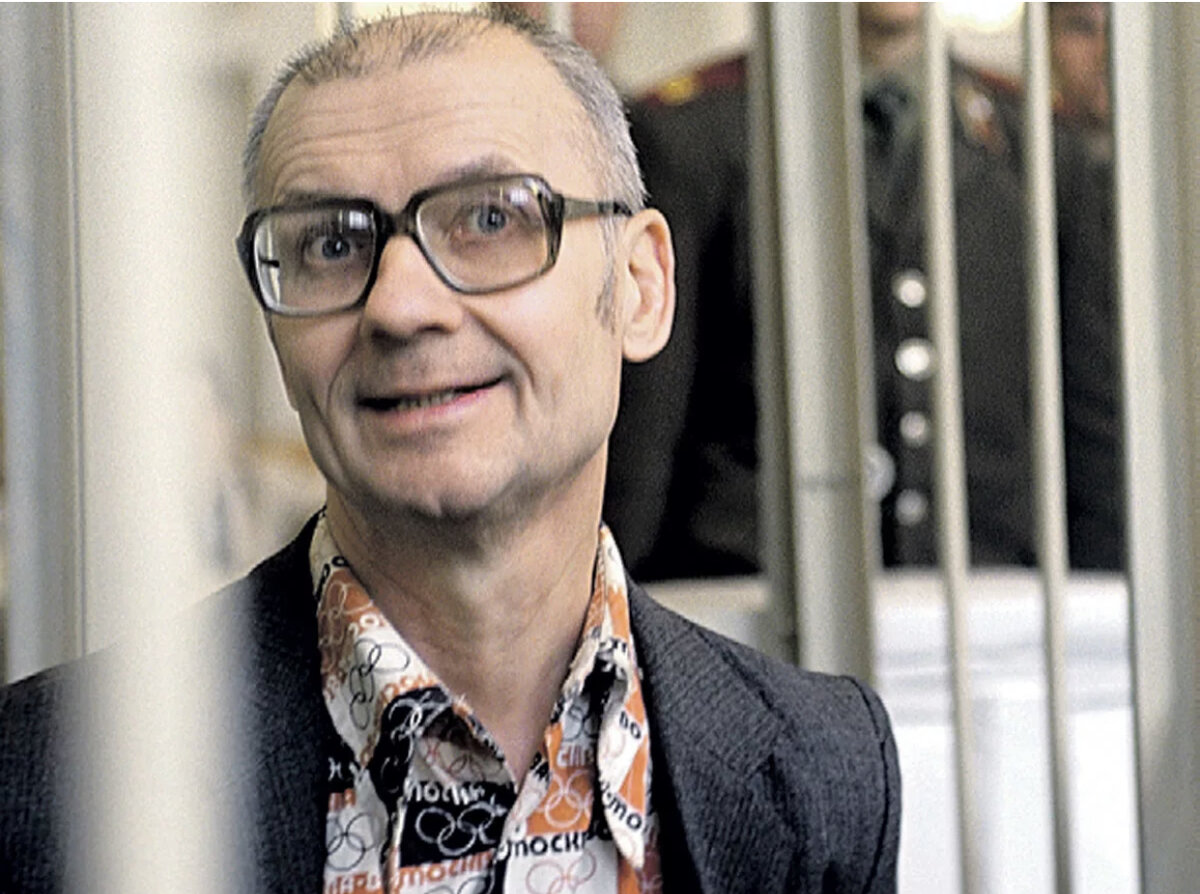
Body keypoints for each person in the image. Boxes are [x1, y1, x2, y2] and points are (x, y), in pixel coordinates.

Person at [0, 8, 900, 893]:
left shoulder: (821, 772)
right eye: (330, 244)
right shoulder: (54, 786)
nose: (400, 306)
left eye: (490, 220)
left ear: (639, 286)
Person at [607, 3, 1122, 578]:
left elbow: (1091, 441)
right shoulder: (694, 136)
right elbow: (644, 444)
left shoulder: (1042, 152)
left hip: (993, 599)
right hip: (751, 592)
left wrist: (1105, 609)